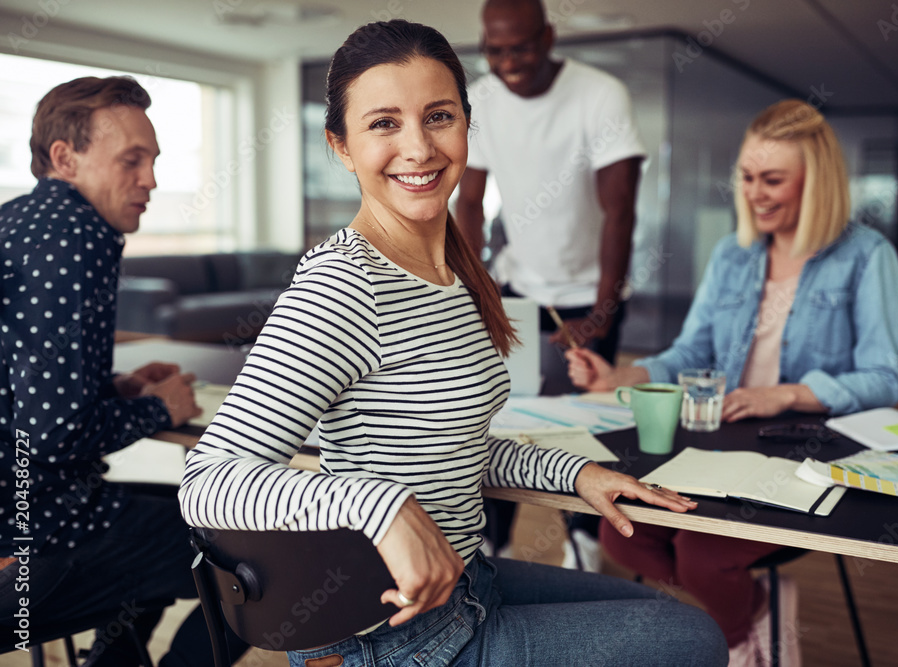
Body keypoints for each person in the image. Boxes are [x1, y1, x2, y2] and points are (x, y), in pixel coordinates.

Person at [178, 20, 727, 667]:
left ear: (468, 126)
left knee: (671, 614)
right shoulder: (345, 282)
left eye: (438, 116)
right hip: (396, 634)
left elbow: (449, 445)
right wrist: (380, 504)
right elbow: (207, 480)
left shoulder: (457, 273)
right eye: (384, 123)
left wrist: (574, 472)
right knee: (694, 641)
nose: (418, 147)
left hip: (466, 583)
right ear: (342, 146)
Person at [567, 99, 898, 666]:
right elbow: (691, 353)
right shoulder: (733, 254)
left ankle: (730, 635)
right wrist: (620, 375)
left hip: (806, 456)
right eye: (747, 177)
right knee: (625, 534)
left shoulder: (868, 257)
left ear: (816, 182)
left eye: (774, 179)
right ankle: (751, 610)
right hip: (719, 446)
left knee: (700, 557)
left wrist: (790, 393)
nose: (755, 193)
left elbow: (883, 378)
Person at [0, 76, 247, 667]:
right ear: (65, 159)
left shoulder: (17, 221)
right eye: (131, 160)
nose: (152, 180)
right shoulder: (76, 238)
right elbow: (54, 433)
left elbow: (23, 389)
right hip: (39, 539)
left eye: (154, 160)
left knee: (182, 523)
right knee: (255, 558)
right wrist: (164, 408)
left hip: (27, 512)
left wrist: (116, 389)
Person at [455, 0, 646, 568]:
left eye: (520, 47)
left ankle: (585, 542)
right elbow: (468, 201)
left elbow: (621, 211)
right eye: (495, 49)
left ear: (549, 37)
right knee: (500, 414)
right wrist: (478, 284)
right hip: (518, 288)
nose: (507, 60)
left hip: (592, 289)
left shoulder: (599, 93)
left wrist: (605, 307)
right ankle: (494, 544)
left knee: (586, 421)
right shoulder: (482, 100)